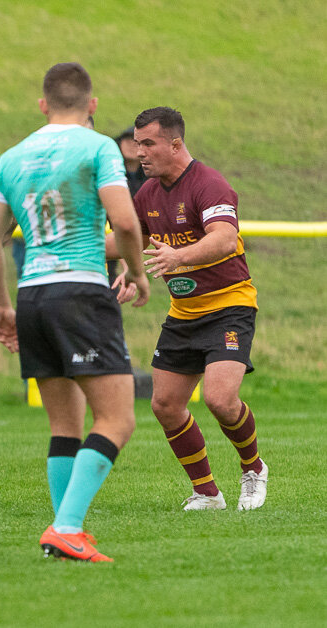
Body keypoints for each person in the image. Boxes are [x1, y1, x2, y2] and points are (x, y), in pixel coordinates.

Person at [0, 63, 149, 562]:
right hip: (80, 290)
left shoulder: (10, 157)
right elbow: (124, 221)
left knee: (64, 425)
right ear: (92, 105)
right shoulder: (97, 147)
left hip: (31, 295)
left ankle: (62, 532)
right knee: (117, 418)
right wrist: (137, 274)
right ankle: (68, 526)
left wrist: (2, 307)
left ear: (42, 105)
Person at [128, 106, 267, 512]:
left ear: (175, 144)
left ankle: (253, 469)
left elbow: (224, 239)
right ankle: (207, 493)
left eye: (148, 143)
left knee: (220, 399)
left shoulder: (209, 184)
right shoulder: (147, 194)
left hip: (229, 307)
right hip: (183, 313)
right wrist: (116, 266)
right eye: (137, 144)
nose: (140, 152)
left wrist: (179, 257)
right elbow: (129, 243)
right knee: (165, 405)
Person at [115, 126, 148, 196]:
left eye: (137, 142)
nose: (132, 145)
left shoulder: (155, 176)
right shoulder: (112, 172)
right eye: (127, 140)